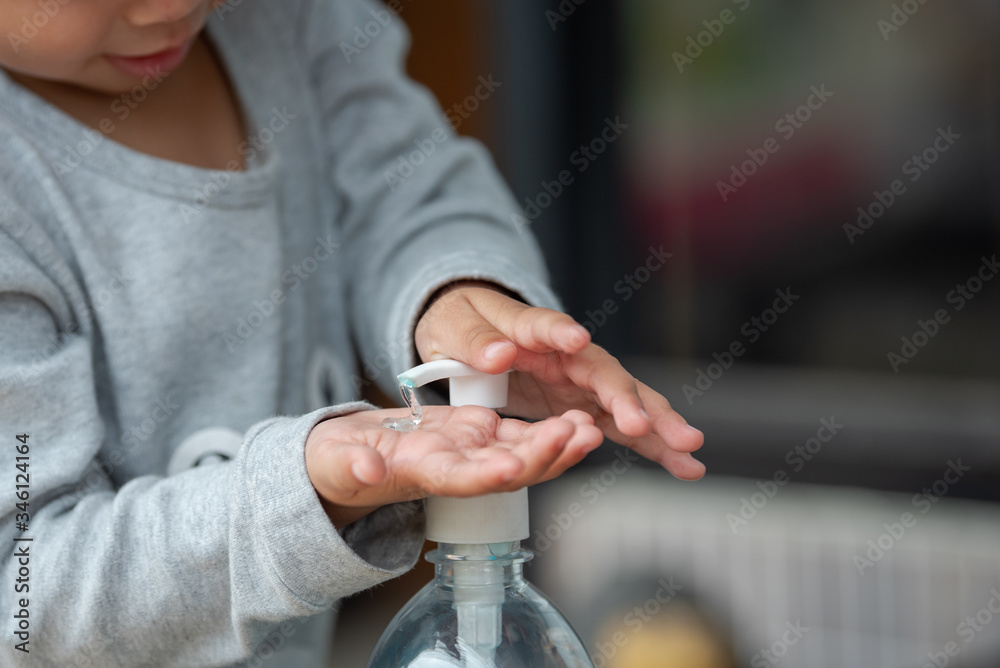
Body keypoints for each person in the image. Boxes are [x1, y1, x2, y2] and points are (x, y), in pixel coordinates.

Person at [0, 0, 705, 664]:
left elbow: (404, 190)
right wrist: (302, 490)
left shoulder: (294, 20)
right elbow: (23, 600)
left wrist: (455, 301)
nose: (173, 7)